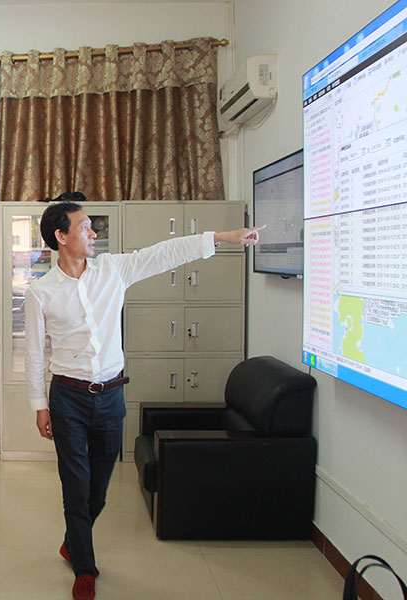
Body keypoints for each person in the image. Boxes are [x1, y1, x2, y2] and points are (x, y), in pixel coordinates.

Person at [24, 201, 263, 600]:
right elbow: (34, 353)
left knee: (98, 490)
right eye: (84, 227)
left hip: (111, 396)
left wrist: (222, 237)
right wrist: (39, 405)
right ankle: (84, 567)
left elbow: (164, 253)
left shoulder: (113, 269)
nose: (93, 233)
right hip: (68, 398)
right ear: (61, 236)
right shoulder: (41, 291)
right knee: (76, 486)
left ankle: (73, 541)